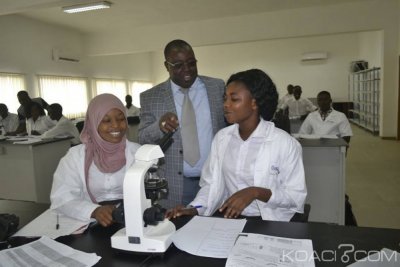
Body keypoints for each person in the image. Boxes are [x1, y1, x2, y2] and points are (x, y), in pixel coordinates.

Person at [166, 69, 307, 221]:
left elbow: (295, 197)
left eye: (234, 99)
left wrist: (256, 192)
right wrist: (193, 208)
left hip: (271, 222)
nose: (226, 105)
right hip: (230, 219)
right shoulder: (222, 139)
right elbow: (211, 186)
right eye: (225, 99)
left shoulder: (285, 143)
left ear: (254, 103)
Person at [139, 39, 226, 208]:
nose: (187, 69)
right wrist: (159, 126)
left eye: (191, 63)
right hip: (175, 185)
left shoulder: (216, 87)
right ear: (166, 66)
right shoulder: (151, 97)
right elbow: (142, 138)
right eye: (178, 65)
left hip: (214, 180)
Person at [50, 94, 141, 226]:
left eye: (121, 119)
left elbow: (150, 194)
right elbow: (61, 197)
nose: (116, 125)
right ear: (93, 123)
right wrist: (93, 211)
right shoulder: (75, 156)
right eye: (106, 120)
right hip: (88, 223)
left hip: (132, 221)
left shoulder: (138, 153)